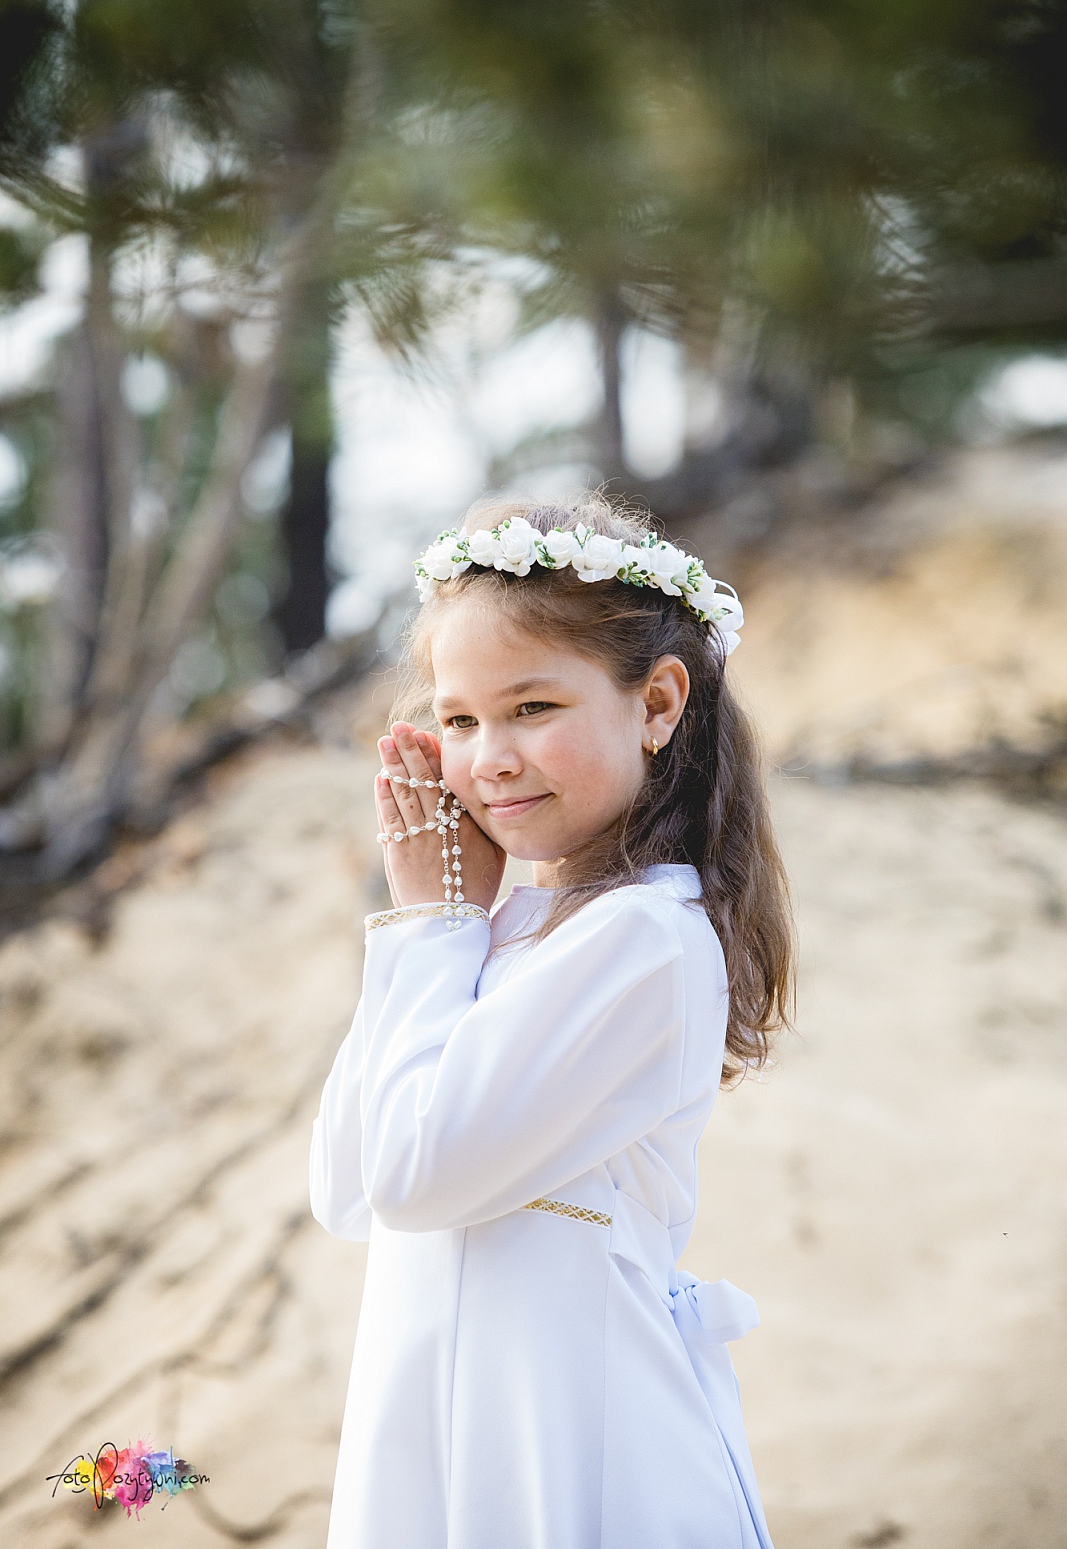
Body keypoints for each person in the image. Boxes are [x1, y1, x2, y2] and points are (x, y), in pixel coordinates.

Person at [310, 493, 795, 1548]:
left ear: (656, 704)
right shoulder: (494, 934)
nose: (488, 758)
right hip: (440, 1447)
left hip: (573, 1445)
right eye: (457, 720)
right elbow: (350, 1187)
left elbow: (412, 1177)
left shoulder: (646, 939)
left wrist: (434, 925)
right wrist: (437, 921)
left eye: (531, 707)